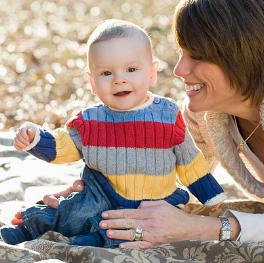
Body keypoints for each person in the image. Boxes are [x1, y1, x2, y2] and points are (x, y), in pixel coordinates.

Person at [25, 0, 264, 249]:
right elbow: (168, 175)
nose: (179, 70)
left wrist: (200, 229)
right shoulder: (208, 105)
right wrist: (100, 193)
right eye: (182, 52)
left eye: (198, 56)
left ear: (243, 57)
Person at [0, 19, 225, 247]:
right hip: (101, 192)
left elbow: (189, 158)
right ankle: (31, 225)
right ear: (92, 83)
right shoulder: (89, 121)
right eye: (106, 73)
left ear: (151, 73)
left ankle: (98, 238)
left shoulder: (167, 114)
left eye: (131, 69)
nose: (119, 79)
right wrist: (36, 138)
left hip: (154, 200)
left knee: (136, 229)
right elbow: (64, 145)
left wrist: (209, 193)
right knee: (72, 213)